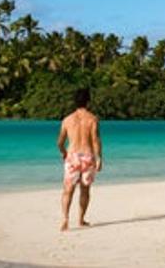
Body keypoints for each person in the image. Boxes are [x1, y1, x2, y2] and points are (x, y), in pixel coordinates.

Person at [57, 88, 102, 231]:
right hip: (88, 156)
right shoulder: (92, 119)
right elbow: (95, 140)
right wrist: (99, 157)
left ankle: (65, 219)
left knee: (68, 190)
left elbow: (60, 142)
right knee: (85, 190)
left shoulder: (67, 120)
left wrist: (64, 152)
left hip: (73, 156)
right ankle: (81, 219)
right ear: (88, 102)